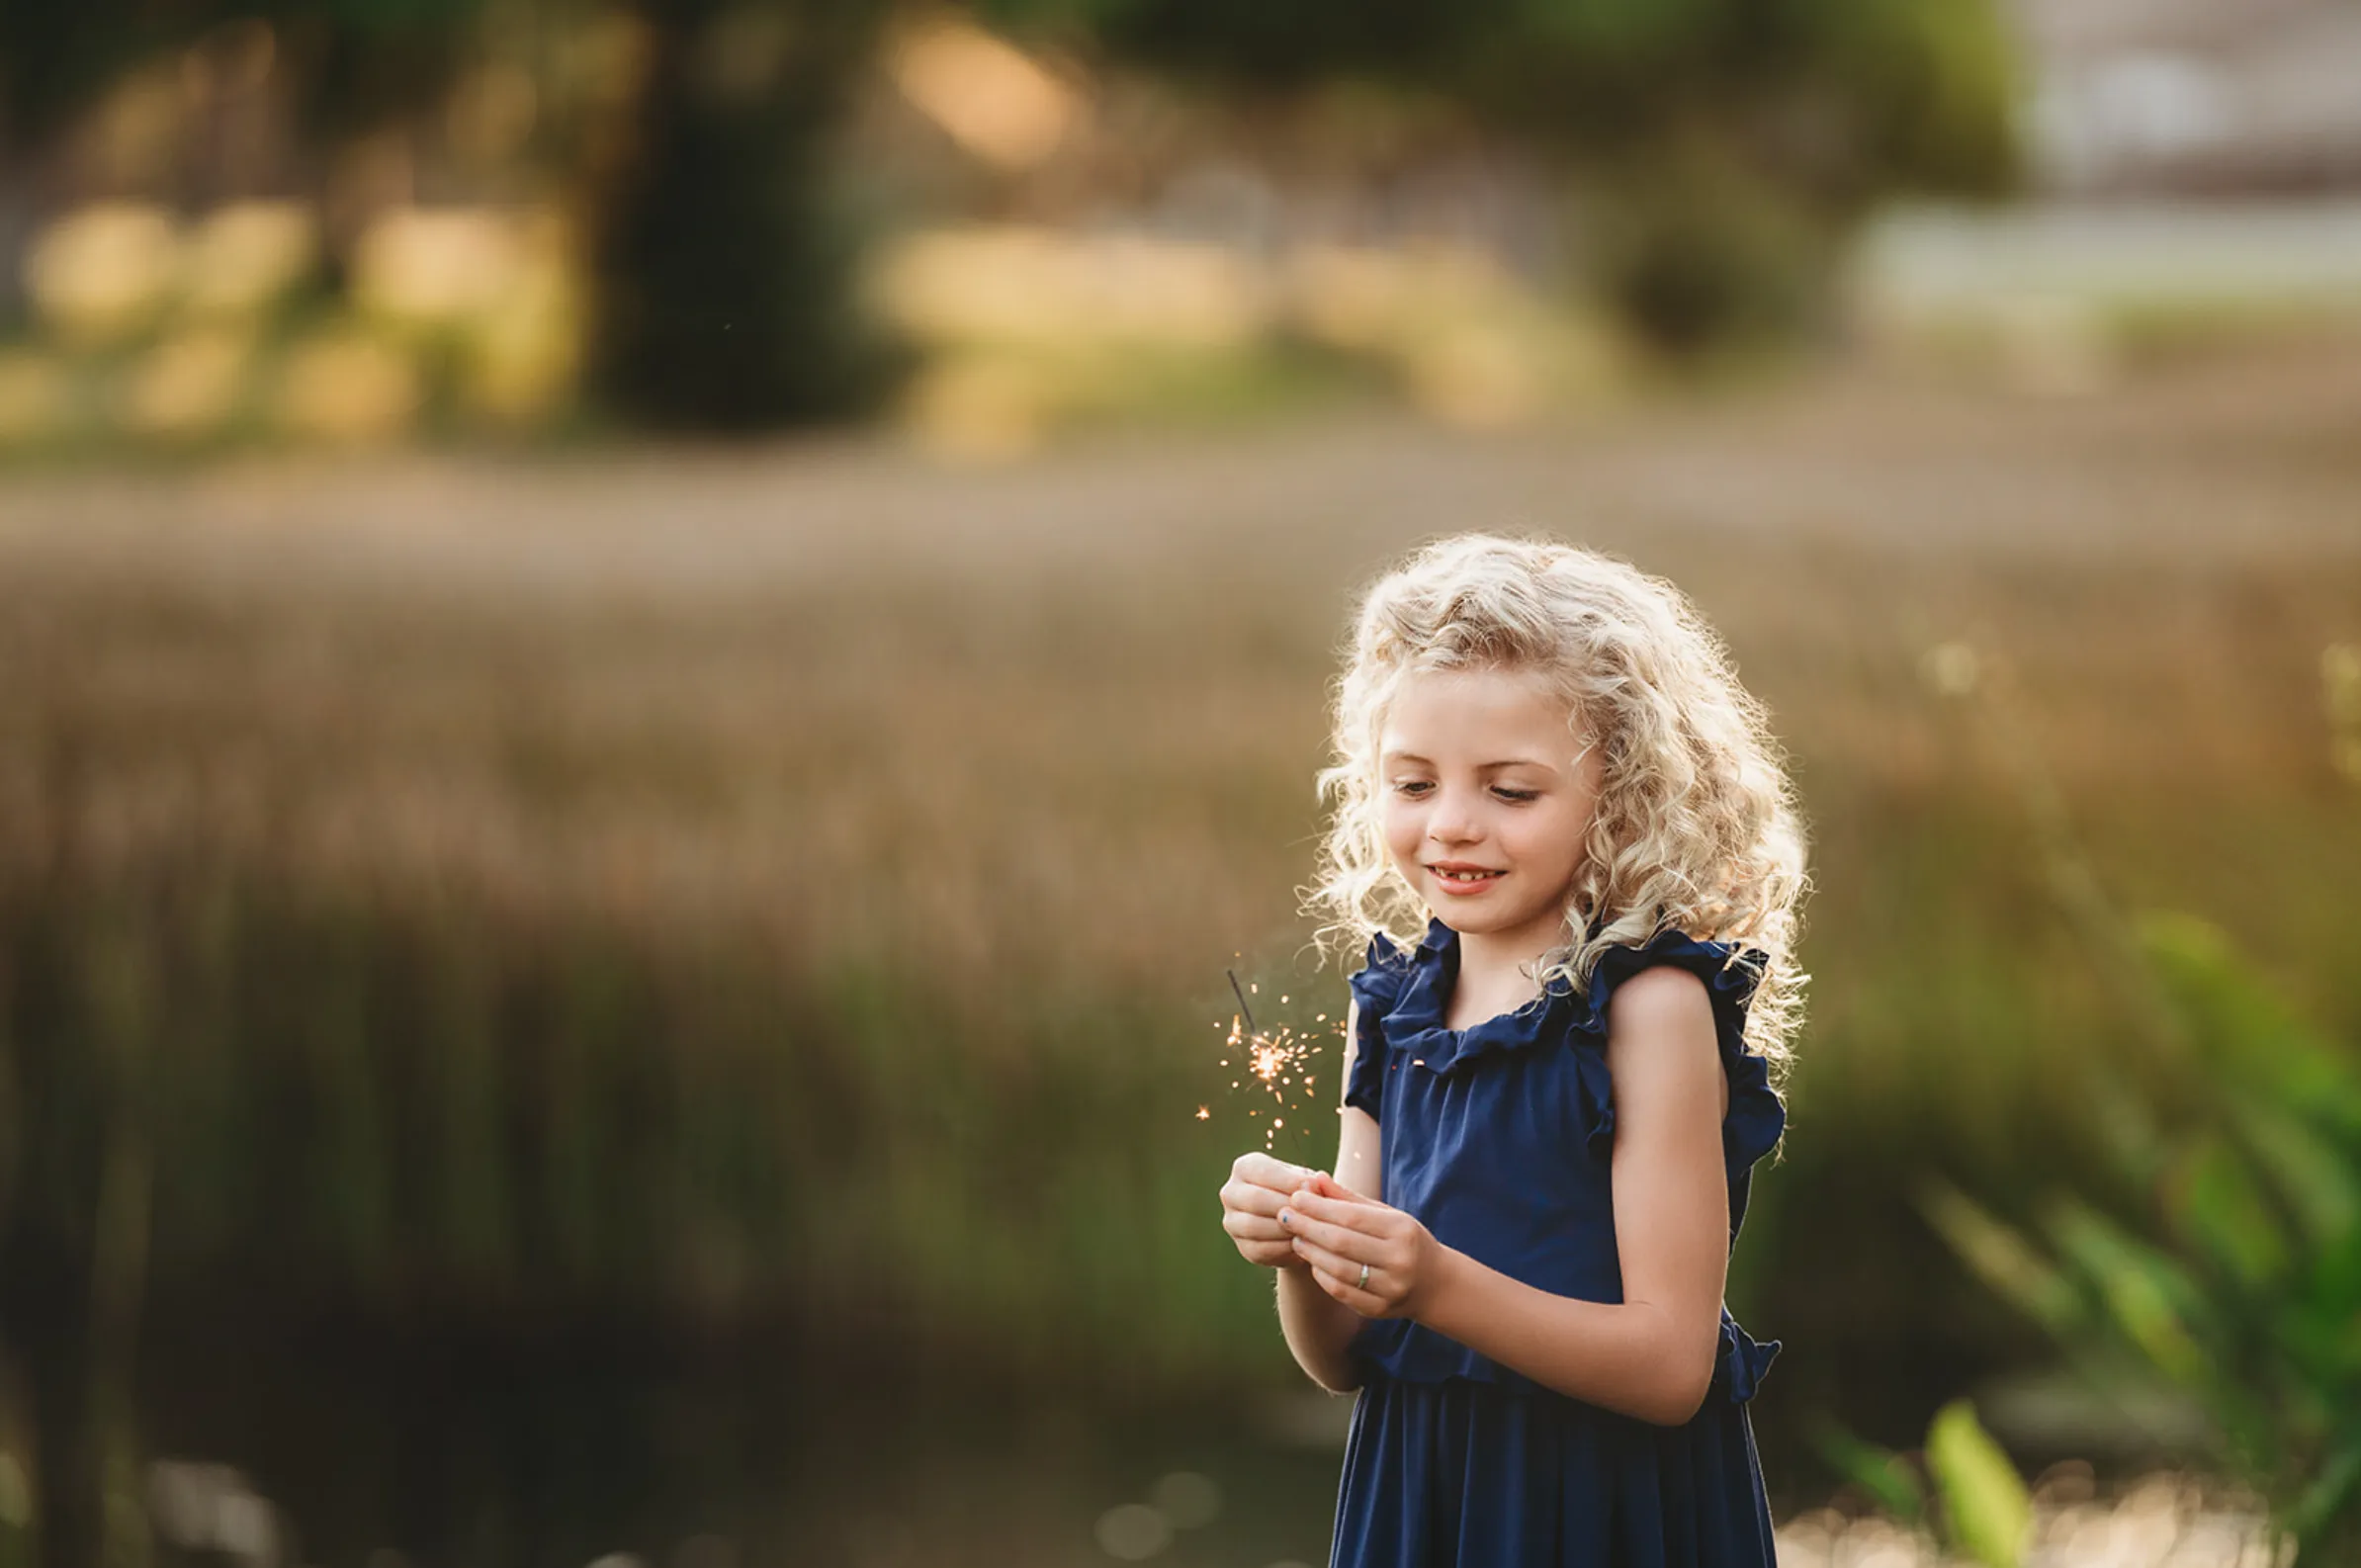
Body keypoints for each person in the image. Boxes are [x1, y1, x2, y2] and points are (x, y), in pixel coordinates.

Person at [1217, 534, 1807, 1566]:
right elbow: (1342, 1360)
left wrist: (1434, 1281)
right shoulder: (1392, 1008)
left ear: (1619, 794)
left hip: (1606, 1506)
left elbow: (1671, 1364)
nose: (1451, 825)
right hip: (1422, 1500)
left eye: (1511, 789)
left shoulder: (1648, 1010)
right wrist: (1305, 1252)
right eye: (1413, 783)